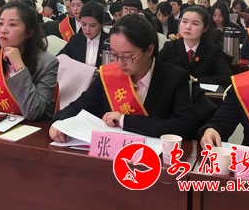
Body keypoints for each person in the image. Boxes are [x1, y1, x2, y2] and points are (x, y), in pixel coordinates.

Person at [50, 14, 214, 141]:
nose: (120, 63)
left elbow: (181, 125)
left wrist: (125, 120)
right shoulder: (108, 75)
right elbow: (80, 106)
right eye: (114, 55)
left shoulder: (175, 78)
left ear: (149, 50)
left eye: (128, 57)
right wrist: (59, 122)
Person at [160, 6, 232, 87]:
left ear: (205, 28)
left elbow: (226, 77)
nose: (188, 27)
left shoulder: (213, 50)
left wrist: (196, 80)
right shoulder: (169, 47)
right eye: (184, 21)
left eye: (194, 23)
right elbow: (156, 69)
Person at [58, 1, 110, 67]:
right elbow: (60, 58)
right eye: (84, 24)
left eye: (93, 26)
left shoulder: (110, 42)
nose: (87, 29)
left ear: (102, 24)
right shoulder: (75, 40)